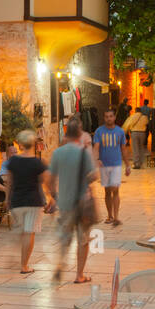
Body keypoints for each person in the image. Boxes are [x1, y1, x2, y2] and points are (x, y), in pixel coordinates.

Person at [49, 116, 95, 284]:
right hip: (82, 204)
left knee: (65, 238)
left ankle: (60, 264)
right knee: (83, 240)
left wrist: (54, 196)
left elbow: (50, 180)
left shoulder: (57, 153)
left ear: (66, 132)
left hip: (65, 202)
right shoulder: (83, 153)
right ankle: (79, 275)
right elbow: (93, 175)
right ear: (80, 133)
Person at [4, 129, 51, 274]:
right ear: (33, 144)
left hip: (17, 202)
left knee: (23, 231)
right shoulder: (38, 163)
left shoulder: (13, 161)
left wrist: (7, 199)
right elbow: (45, 182)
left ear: (20, 144)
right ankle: (24, 265)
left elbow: (9, 182)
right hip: (33, 202)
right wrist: (51, 198)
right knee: (29, 233)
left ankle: (15, 251)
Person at [92, 108, 131, 228]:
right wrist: (97, 160)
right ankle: (110, 215)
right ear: (104, 118)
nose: (108, 118)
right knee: (107, 191)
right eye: (106, 116)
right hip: (104, 165)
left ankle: (116, 216)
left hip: (116, 164)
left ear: (114, 117)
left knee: (115, 189)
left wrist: (128, 165)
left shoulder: (120, 132)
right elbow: (96, 147)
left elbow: (123, 149)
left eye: (110, 116)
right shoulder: (99, 131)